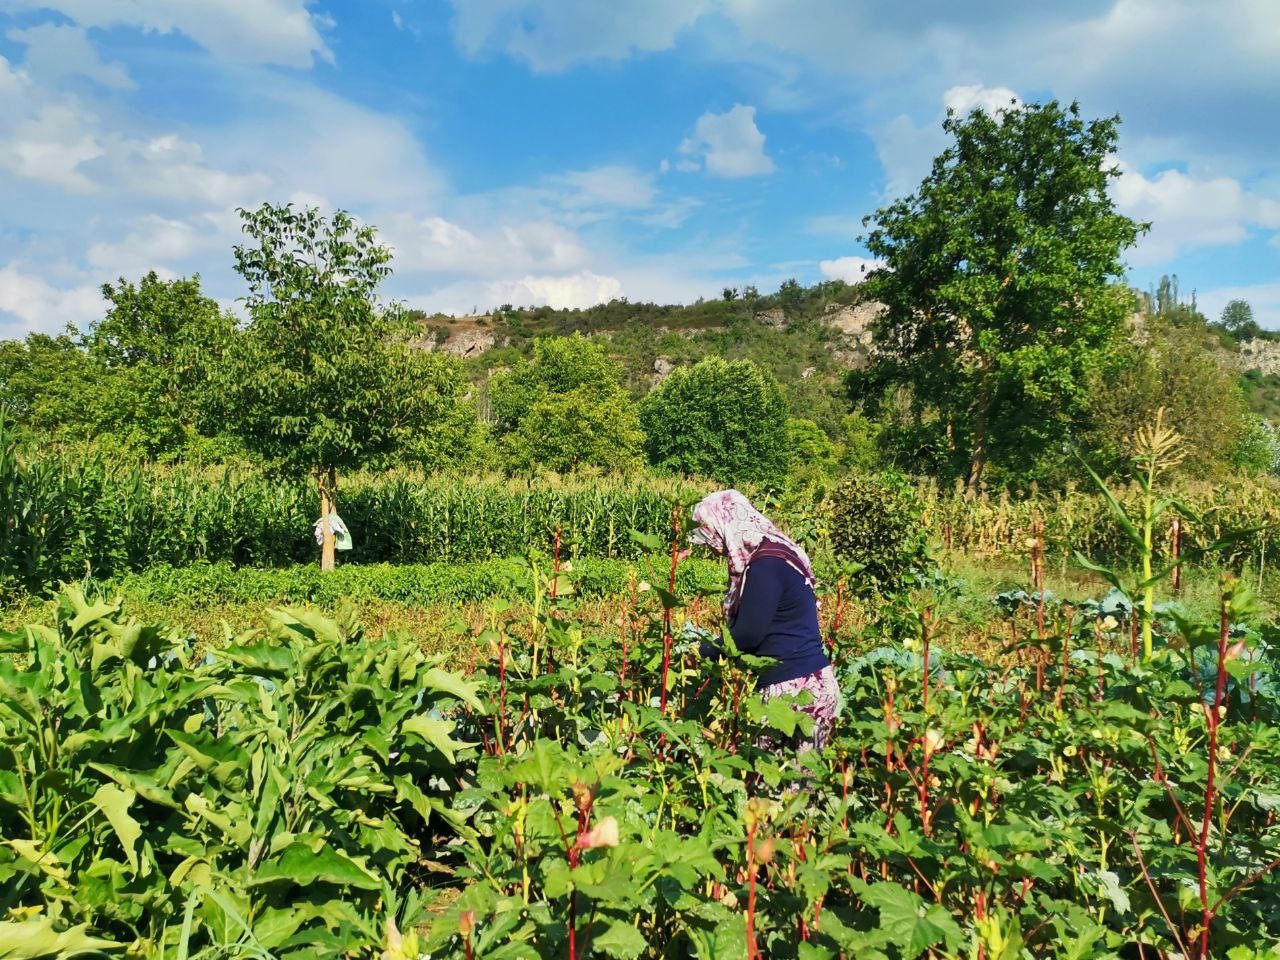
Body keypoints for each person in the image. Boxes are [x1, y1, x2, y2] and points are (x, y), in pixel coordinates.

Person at [688, 489, 839, 752]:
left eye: (711, 536)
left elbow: (748, 635)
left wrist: (700, 652)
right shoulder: (779, 554)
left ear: (725, 526)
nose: (712, 548)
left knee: (770, 775)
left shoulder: (764, 567)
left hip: (792, 691)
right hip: (814, 683)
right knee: (806, 775)